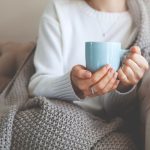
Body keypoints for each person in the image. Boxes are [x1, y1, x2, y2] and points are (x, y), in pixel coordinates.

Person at [28, 0, 150, 149]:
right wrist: (72, 86)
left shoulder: (144, 24)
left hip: (117, 126)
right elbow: (37, 85)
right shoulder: (58, 11)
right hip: (61, 115)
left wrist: (124, 86)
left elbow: (127, 114)